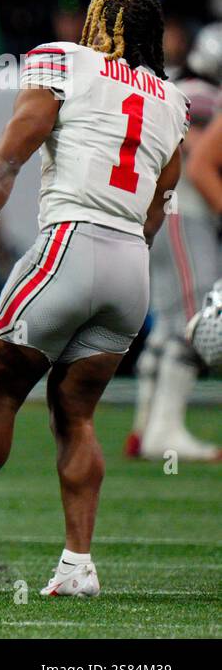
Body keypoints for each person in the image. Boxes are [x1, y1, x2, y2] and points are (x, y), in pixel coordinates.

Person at [0, 0, 189, 597]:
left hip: (69, 245)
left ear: (96, 23)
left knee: (2, 391)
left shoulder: (65, 60)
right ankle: (78, 564)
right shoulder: (172, 101)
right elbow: (157, 209)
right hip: (130, 270)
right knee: (77, 414)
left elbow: (10, 156)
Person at [129, 23, 221, 462]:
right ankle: (163, 432)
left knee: (169, 318)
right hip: (186, 212)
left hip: (160, 211)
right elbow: (199, 160)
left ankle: (146, 426)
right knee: (194, 312)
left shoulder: (175, 87)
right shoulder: (203, 97)